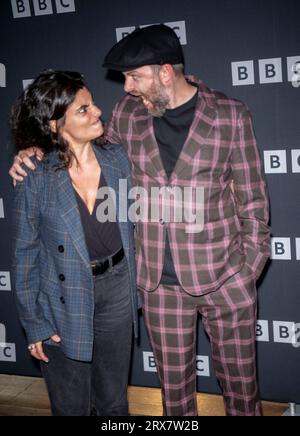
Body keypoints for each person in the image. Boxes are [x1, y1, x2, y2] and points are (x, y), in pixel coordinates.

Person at [10, 25, 271, 416]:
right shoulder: (126, 116)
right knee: (175, 397)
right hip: (157, 288)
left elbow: (253, 201)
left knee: (241, 389)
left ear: (165, 72)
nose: (127, 87)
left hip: (225, 280)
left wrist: (246, 270)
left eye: (134, 77)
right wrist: (33, 151)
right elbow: (79, 149)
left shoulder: (230, 116)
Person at [10, 70, 138, 416]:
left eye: (93, 103)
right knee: (71, 406)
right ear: (54, 125)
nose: (97, 112)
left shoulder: (119, 160)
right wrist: (35, 323)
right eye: (83, 110)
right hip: (62, 301)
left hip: (117, 290)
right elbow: (24, 256)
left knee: (114, 403)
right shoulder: (35, 176)